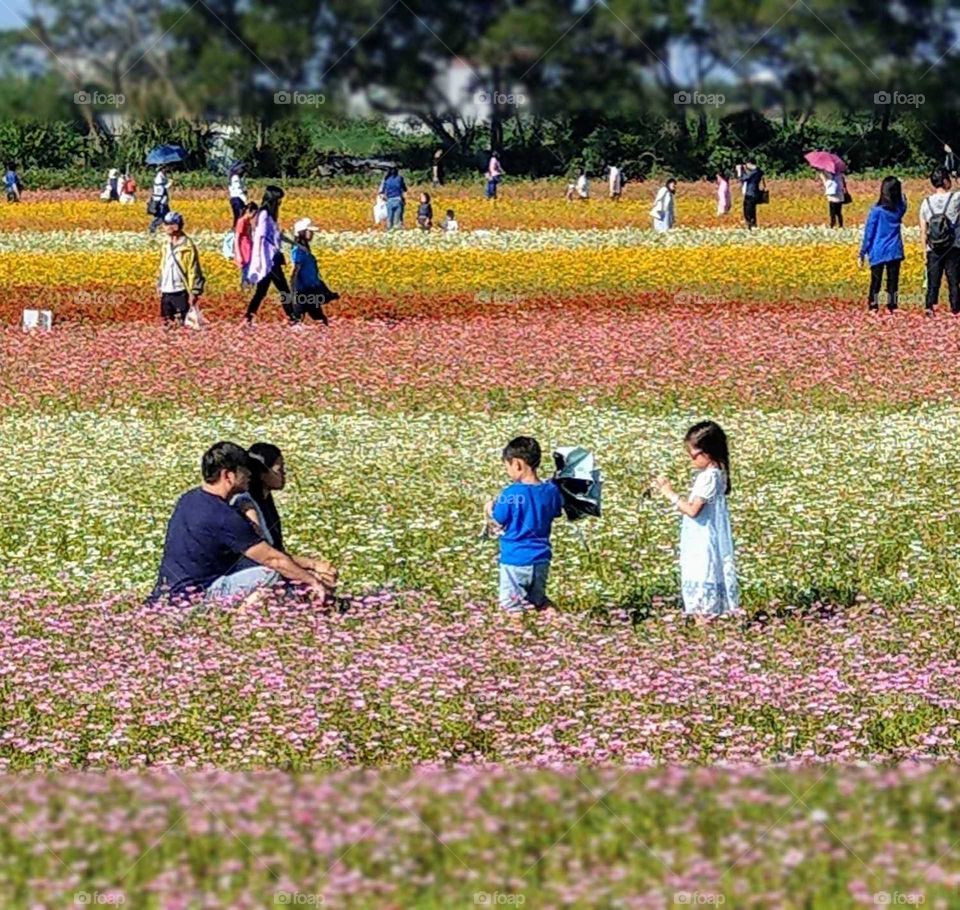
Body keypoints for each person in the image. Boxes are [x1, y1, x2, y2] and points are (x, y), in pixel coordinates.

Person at [148, 441, 329, 606]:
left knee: (277, 578)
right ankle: (239, 621)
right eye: (245, 471)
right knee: (269, 574)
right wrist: (313, 582)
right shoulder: (222, 515)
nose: (250, 475)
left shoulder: (189, 499)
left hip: (168, 593)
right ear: (228, 475)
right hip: (197, 595)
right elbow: (272, 559)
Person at [655, 421, 739, 622]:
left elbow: (693, 510)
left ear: (707, 453)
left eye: (693, 456)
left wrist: (669, 493)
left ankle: (705, 632)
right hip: (705, 536)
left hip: (702, 540)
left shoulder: (709, 477)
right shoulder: (719, 473)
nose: (691, 461)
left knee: (702, 589)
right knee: (705, 585)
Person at [230, 442, 338, 591]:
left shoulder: (266, 500)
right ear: (262, 473)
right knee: (315, 580)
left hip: (270, 566)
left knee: (323, 577)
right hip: (254, 572)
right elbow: (267, 555)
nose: (284, 474)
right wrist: (312, 566)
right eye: (279, 469)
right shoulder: (247, 504)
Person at [483, 436, 564, 618]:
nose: (508, 471)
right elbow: (556, 511)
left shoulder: (510, 493)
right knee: (540, 601)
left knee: (512, 606)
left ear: (518, 464)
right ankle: (561, 628)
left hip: (515, 559)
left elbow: (498, 519)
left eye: (508, 466)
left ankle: (517, 641)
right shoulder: (551, 491)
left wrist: (489, 508)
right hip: (541, 559)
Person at [245, 185, 295, 325]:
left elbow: (276, 236)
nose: (280, 203)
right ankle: (293, 318)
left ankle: (248, 317)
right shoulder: (264, 215)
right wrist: (260, 260)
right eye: (279, 200)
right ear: (273, 199)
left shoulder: (269, 216)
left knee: (261, 291)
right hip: (270, 260)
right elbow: (260, 237)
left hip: (272, 258)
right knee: (284, 290)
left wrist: (295, 244)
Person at [859, 176, 906, 314]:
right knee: (893, 281)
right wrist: (901, 193)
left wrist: (862, 252)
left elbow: (869, 233)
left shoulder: (876, 211)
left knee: (876, 281)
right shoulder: (898, 210)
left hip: (878, 250)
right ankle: (892, 306)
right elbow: (904, 203)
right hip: (894, 250)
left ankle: (873, 306)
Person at [919, 165, 960, 316]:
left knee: (933, 281)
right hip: (953, 245)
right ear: (945, 181)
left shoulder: (926, 203)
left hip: (933, 247)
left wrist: (924, 251)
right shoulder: (955, 198)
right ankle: (955, 309)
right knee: (953, 280)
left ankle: (929, 308)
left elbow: (924, 230)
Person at [157, 211, 205, 327]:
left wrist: (194, 291)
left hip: (181, 291)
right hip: (166, 290)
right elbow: (163, 265)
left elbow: (193, 269)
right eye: (165, 224)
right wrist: (159, 283)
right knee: (167, 324)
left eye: (169, 224)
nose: (165, 227)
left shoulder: (188, 246)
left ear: (176, 226)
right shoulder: (165, 244)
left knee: (183, 325)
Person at [289, 217, 339, 325]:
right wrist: (295, 291)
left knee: (319, 318)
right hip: (303, 291)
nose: (312, 234)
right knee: (300, 319)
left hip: (310, 290)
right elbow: (295, 271)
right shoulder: (298, 250)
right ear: (301, 232)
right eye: (309, 231)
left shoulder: (305, 249)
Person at [233, 201, 258, 288]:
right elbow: (236, 238)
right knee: (246, 270)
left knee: (250, 268)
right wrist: (238, 254)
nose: (254, 216)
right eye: (254, 213)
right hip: (243, 249)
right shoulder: (241, 221)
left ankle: (249, 286)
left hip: (248, 248)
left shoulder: (248, 222)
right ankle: (245, 286)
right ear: (250, 211)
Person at [737, 161, 764, 230]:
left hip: (750, 193)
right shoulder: (759, 171)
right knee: (752, 209)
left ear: (750, 164)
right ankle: (753, 223)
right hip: (755, 193)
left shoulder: (754, 172)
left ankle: (750, 224)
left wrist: (739, 172)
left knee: (748, 210)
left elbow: (743, 178)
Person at [148, 165, 171, 234]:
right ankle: (152, 229)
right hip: (160, 200)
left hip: (164, 200)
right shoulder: (159, 177)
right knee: (161, 216)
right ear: (162, 169)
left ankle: (167, 230)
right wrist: (169, 184)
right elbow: (160, 189)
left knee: (167, 215)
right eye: (166, 167)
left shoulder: (163, 176)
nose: (168, 168)